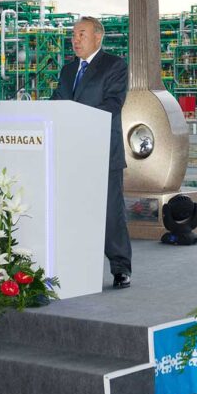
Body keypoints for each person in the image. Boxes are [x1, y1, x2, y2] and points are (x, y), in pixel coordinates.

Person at [51, 16, 131, 289]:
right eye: (73, 35)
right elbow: (57, 103)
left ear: (98, 37)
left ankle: (121, 267)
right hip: (71, 152)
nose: (75, 40)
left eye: (81, 34)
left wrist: (78, 118)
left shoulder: (115, 65)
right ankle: (74, 265)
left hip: (103, 151)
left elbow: (113, 103)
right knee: (73, 211)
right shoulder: (67, 70)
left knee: (110, 214)